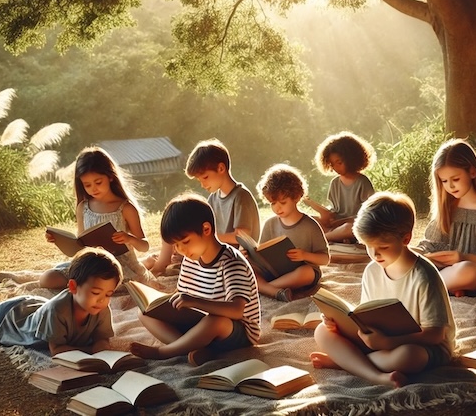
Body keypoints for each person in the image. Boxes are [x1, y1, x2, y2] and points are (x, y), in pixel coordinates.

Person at [310, 192, 456, 388]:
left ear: (406, 238)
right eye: (368, 246)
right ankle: (373, 373)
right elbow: (366, 316)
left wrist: (388, 343)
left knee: (407, 356)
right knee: (322, 332)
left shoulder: (424, 275)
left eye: (383, 246)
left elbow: (435, 335)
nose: (375, 254)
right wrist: (339, 323)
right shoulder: (372, 270)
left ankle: (347, 362)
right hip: (379, 342)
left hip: (424, 346)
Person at [130, 193, 261, 366]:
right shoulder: (191, 259)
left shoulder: (231, 262)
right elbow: (184, 294)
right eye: (176, 245)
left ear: (206, 230)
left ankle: (165, 352)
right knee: (144, 312)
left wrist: (194, 302)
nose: (181, 249)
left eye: (185, 241)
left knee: (215, 321)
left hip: (236, 331)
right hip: (200, 324)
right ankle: (191, 348)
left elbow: (237, 311)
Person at [40, 147, 154, 289]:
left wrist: (129, 239)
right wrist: (60, 241)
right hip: (90, 264)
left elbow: (145, 245)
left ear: (110, 176)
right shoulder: (83, 207)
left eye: (98, 182)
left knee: (96, 284)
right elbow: (80, 245)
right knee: (48, 278)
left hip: (117, 267)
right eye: (87, 185)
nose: (93, 188)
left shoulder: (125, 208)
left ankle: (144, 264)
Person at [145, 138, 261, 274]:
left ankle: (161, 265)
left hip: (230, 254)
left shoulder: (241, 196)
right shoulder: (213, 198)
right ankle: (161, 262)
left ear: (221, 168)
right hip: (210, 250)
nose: (202, 184)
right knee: (174, 228)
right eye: (199, 180)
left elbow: (242, 236)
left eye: (205, 177)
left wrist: (209, 236)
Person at [413, 138, 476, 296]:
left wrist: (463, 257)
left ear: (472, 172)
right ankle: (448, 288)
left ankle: (421, 288)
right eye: (444, 181)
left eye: (455, 179)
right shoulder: (448, 206)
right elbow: (434, 243)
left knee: (466, 270)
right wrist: (425, 254)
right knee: (407, 253)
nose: (450, 186)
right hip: (447, 270)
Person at [251, 164, 330, 302]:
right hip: (275, 273)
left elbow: (325, 259)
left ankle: (265, 288)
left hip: (301, 274)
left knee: (306, 272)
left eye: (282, 202)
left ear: (297, 197)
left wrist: (304, 255)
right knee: (247, 266)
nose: (277, 208)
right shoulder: (270, 223)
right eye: (272, 203)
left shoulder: (310, 225)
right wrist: (250, 254)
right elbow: (262, 254)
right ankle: (274, 291)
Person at [305, 131, 376, 243]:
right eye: (332, 164)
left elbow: (369, 213)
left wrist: (343, 221)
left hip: (355, 226)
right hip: (336, 226)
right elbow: (334, 210)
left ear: (351, 159)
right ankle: (335, 236)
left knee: (349, 228)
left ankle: (324, 238)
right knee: (308, 220)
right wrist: (329, 216)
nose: (335, 168)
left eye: (339, 162)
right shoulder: (335, 183)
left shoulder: (362, 182)